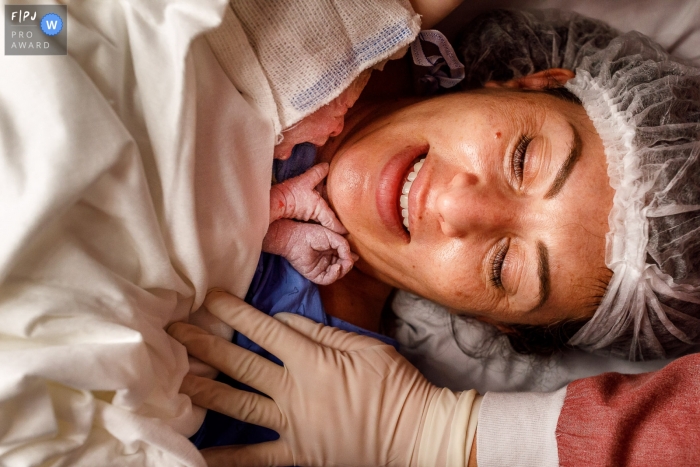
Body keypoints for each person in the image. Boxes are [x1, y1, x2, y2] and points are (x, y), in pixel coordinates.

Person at [169, 8, 700, 467]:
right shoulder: (366, 19)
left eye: (503, 267)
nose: (453, 206)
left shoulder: (286, 397)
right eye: (522, 159)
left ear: (497, 323)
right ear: (531, 82)